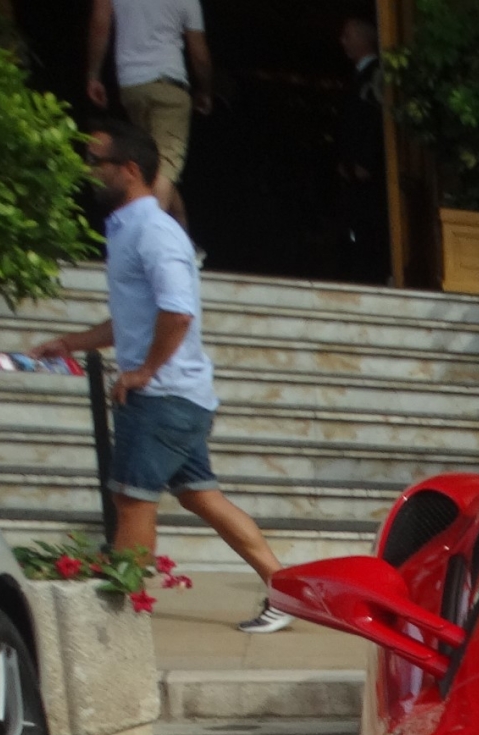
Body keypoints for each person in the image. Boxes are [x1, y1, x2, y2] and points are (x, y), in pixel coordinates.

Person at [31, 124, 291, 636]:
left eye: (97, 163)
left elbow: (177, 311)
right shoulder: (131, 229)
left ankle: (119, 621)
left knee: (131, 500)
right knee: (201, 497)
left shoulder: (154, 232)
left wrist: (143, 372)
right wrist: (71, 343)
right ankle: (288, 591)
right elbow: (138, 318)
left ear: (128, 170)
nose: (89, 172)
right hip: (177, 395)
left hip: (161, 397)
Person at [85, 0, 211, 221]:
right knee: (166, 171)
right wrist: (205, 90)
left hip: (132, 88)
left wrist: (94, 76)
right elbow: (199, 55)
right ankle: (146, 239)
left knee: (155, 168)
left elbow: (100, 24)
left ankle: (183, 242)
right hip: (170, 88)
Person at [334, 15, 389, 283]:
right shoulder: (355, 77)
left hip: (369, 175)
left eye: (347, 35)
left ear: (363, 38)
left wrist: (365, 161)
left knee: (370, 234)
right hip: (351, 174)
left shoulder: (378, 73)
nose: (342, 42)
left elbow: (376, 119)